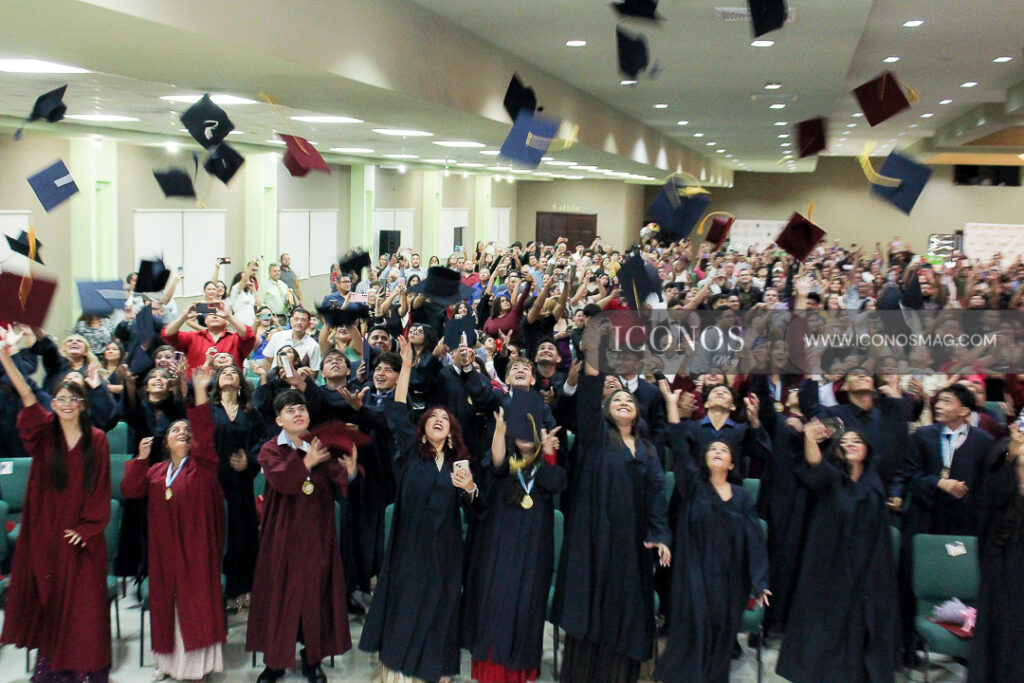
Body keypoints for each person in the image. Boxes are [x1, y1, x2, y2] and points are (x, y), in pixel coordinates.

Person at [359, 336, 484, 683]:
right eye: (434, 416)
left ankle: (435, 674)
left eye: (446, 418)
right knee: (406, 608)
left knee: (438, 611)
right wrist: (407, 366)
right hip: (408, 549)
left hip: (443, 554)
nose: (440, 419)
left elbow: (478, 510)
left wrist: (471, 489)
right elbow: (397, 410)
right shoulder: (412, 453)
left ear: (451, 430)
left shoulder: (461, 463)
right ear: (425, 428)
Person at [551, 327, 671, 683]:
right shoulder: (594, 439)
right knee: (589, 608)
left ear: (637, 413)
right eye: (614, 399)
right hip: (593, 538)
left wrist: (660, 534)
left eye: (628, 400)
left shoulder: (649, 452)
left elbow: (657, 497)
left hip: (631, 545)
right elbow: (587, 402)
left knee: (624, 614)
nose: (621, 400)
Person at [0, 329, 112, 683]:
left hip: (79, 537)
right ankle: (53, 670)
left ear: (82, 403)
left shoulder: (96, 440)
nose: (64, 403)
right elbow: (25, 392)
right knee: (51, 602)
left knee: (85, 608)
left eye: (72, 399)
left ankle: (86, 669)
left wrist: (87, 528)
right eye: (60, 398)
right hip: (45, 533)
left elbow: (100, 489)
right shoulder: (43, 431)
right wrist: (5, 355)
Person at [654, 381, 769, 683]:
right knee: (691, 626)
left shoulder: (743, 497)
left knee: (720, 631)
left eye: (724, 449)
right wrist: (671, 405)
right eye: (712, 449)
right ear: (703, 459)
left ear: (733, 463)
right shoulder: (692, 486)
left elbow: (754, 540)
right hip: (693, 571)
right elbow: (679, 446)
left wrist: (760, 581)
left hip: (728, 577)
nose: (718, 450)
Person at [121, 364, 226, 681]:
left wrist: (199, 391)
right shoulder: (155, 472)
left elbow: (205, 433)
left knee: (195, 605)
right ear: (165, 442)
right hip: (164, 550)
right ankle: (167, 664)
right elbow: (130, 490)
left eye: (186, 431)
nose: (182, 433)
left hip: (195, 547)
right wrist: (140, 460)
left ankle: (198, 666)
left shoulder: (203, 465)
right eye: (175, 431)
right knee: (167, 605)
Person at [246, 389, 357, 683]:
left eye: (302, 409)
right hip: (281, 534)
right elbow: (282, 480)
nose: (298, 414)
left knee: (315, 596)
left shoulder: (321, 444)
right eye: (290, 411)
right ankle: (275, 663)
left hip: (317, 533)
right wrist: (306, 463)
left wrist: (351, 471)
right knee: (278, 596)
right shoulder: (270, 449)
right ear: (279, 420)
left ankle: (312, 660)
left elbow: (338, 479)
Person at [776, 423, 899, 682]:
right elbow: (814, 464)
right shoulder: (832, 478)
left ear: (868, 449)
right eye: (845, 442)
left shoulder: (874, 485)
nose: (850, 445)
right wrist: (810, 437)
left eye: (857, 441)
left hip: (865, 565)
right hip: (828, 564)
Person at [462, 400, 566, 683]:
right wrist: (498, 433)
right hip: (498, 548)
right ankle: (492, 673)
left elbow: (556, 484)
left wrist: (548, 453)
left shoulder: (544, 470)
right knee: (496, 606)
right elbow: (495, 463)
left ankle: (521, 671)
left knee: (526, 608)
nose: (524, 435)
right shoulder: (503, 466)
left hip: (534, 552)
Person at [969, 424, 1024, 681]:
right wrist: (1011, 454)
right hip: (1004, 554)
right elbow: (992, 473)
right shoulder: (1005, 449)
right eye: (1021, 468)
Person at [207, 364, 264, 608]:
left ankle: (241, 590)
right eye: (223, 373)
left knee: (242, 534)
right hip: (213, 481)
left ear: (241, 383)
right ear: (216, 382)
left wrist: (249, 461)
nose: (228, 374)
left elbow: (263, 441)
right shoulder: (209, 410)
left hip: (241, 482)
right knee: (218, 534)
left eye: (233, 372)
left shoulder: (251, 412)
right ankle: (214, 589)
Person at [161, 300, 257, 375]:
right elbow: (167, 334)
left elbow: (249, 336)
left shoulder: (235, 339)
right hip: (197, 391)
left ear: (227, 322)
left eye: (218, 314)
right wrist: (184, 316)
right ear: (205, 321)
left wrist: (229, 316)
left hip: (228, 390)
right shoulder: (192, 337)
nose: (215, 316)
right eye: (210, 314)